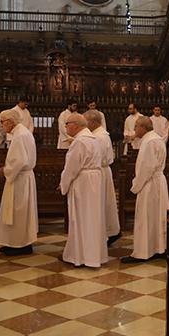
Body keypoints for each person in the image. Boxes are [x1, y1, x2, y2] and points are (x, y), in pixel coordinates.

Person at [60, 113, 109, 267]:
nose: (65, 126)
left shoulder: (79, 142)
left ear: (75, 125)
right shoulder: (93, 139)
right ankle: (94, 256)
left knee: (81, 218)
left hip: (82, 182)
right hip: (94, 180)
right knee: (93, 219)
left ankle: (81, 257)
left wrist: (63, 185)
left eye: (67, 123)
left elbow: (71, 168)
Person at [125, 116, 169, 263]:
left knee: (145, 217)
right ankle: (158, 248)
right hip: (157, 182)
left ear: (143, 128)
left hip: (150, 183)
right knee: (156, 217)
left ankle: (143, 252)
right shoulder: (156, 139)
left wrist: (135, 185)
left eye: (136, 126)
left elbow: (146, 168)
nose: (135, 129)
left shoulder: (149, 142)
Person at [0, 109, 38, 255]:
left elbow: (19, 161)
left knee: (18, 212)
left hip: (20, 179)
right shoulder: (22, 133)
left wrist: (5, 171)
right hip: (22, 178)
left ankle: (20, 245)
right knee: (18, 212)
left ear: (10, 121)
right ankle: (15, 242)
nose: (2, 125)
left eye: (3, 122)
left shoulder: (20, 135)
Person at [85, 110, 121, 246]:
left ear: (93, 122)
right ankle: (110, 232)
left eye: (86, 121)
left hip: (100, 171)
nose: (84, 124)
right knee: (106, 204)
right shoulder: (98, 134)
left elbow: (96, 157)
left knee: (103, 204)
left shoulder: (99, 136)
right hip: (101, 171)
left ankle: (107, 233)